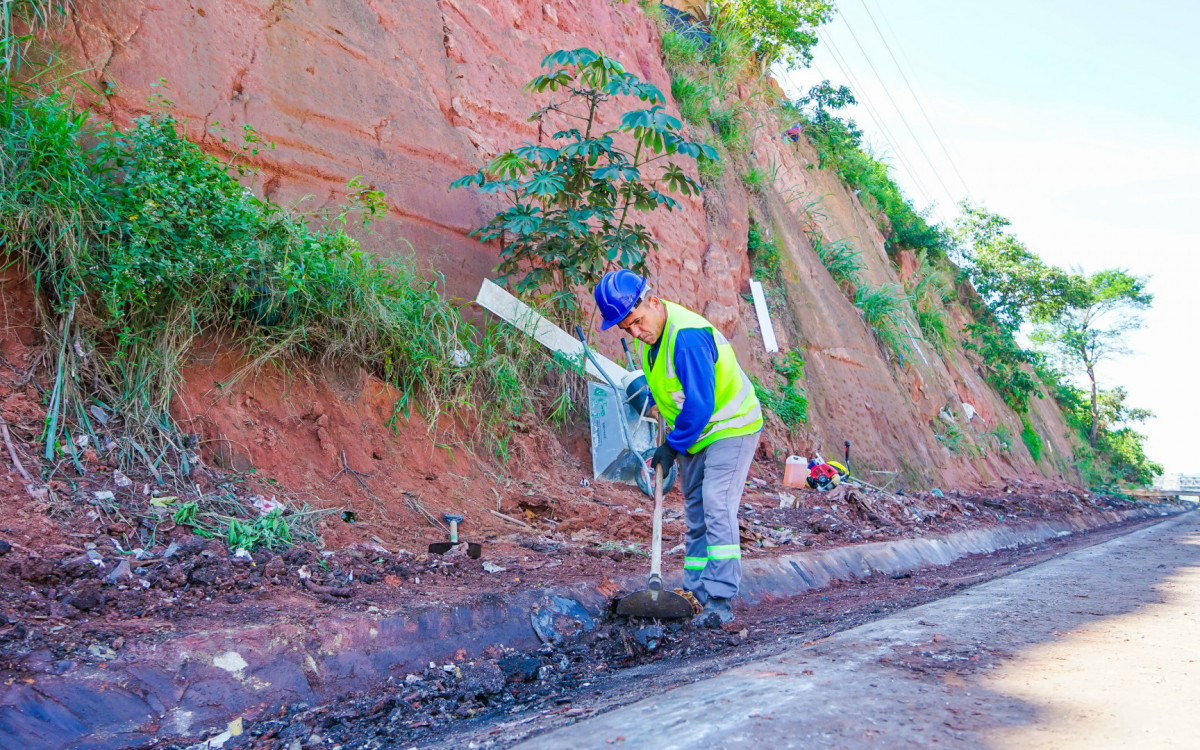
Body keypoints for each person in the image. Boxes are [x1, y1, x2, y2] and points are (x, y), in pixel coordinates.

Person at [594, 269, 762, 625]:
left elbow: (700, 405)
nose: (636, 333)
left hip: (731, 427)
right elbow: (674, 385)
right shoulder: (653, 339)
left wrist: (670, 448)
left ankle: (719, 599)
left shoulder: (685, 337)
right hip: (698, 433)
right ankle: (694, 593)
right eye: (627, 329)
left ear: (654, 302)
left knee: (717, 506)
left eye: (637, 321)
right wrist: (651, 393)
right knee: (697, 514)